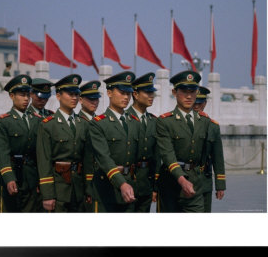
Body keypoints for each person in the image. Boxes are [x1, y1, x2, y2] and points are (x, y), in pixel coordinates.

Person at [156, 71, 211, 213]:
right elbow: (168, 154)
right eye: (184, 91)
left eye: (192, 91)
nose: (188, 96)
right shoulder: (165, 122)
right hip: (171, 183)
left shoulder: (204, 122)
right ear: (174, 92)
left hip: (195, 184)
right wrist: (181, 179)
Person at [36, 74, 91, 212]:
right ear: (59, 96)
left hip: (79, 189)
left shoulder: (83, 124)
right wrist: (48, 195)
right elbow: (44, 162)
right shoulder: (48, 125)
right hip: (58, 189)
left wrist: (89, 189)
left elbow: (88, 160)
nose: (74, 98)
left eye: (76, 94)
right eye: (70, 94)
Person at [89, 71, 141, 212]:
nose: (126, 97)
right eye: (122, 92)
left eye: (128, 93)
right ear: (109, 93)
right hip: (106, 188)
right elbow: (104, 158)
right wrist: (121, 184)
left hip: (130, 189)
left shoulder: (134, 122)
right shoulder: (98, 124)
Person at [0, 75, 43, 212]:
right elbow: (2, 152)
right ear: (11, 96)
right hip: (14, 173)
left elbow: (40, 152)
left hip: (32, 176)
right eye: (22, 95)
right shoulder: (4, 121)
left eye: (28, 95)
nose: (26, 99)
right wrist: (9, 178)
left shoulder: (37, 120)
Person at [126, 72, 158, 212]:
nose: (151, 96)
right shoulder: (124, 118)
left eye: (152, 93)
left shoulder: (154, 121)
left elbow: (157, 157)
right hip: (127, 182)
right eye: (147, 92)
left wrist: (155, 187)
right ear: (135, 94)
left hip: (146, 184)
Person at [193, 86, 226, 212]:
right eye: (195, 102)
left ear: (205, 104)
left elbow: (218, 158)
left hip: (204, 180)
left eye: (200, 103)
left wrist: (220, 185)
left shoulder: (213, 126)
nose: (196, 106)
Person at [78, 80, 101, 212]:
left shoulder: (99, 122)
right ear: (81, 100)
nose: (94, 102)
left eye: (96, 99)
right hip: (82, 180)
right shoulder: (78, 122)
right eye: (90, 99)